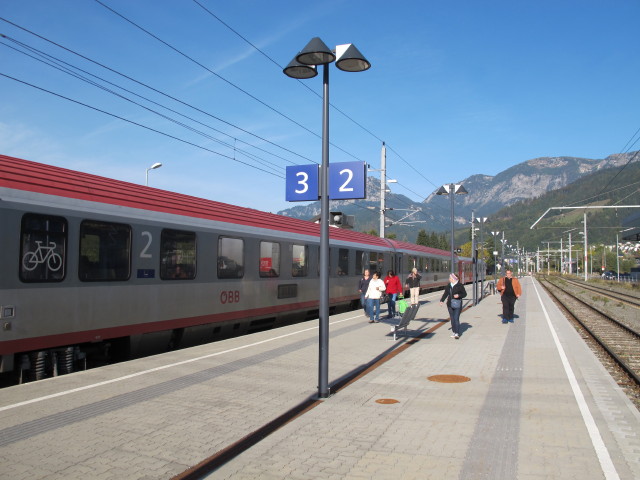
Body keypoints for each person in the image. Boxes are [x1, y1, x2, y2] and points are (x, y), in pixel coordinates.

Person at [439, 273, 467, 339]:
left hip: (457, 304)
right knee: (452, 318)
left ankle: (457, 333)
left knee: (456, 318)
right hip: (449, 304)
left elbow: (464, 294)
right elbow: (445, 293)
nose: (449, 279)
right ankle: (454, 331)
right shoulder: (449, 285)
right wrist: (441, 301)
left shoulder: (460, 285)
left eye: (450, 278)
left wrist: (459, 295)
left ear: (453, 279)